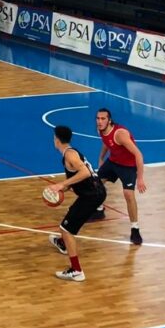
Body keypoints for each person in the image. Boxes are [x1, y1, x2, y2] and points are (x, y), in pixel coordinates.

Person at [46, 125, 107, 283]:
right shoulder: (71, 152)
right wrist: (62, 189)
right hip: (94, 193)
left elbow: (85, 172)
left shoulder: (70, 155)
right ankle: (63, 243)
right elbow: (79, 177)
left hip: (92, 195)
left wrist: (62, 184)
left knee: (65, 229)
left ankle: (77, 271)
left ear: (57, 140)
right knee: (70, 218)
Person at [90, 108, 147, 245]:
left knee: (128, 195)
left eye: (103, 118)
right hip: (113, 162)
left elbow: (138, 154)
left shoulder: (120, 134)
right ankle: (99, 209)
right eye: (98, 118)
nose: (99, 121)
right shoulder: (101, 129)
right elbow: (105, 142)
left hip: (128, 167)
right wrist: (101, 158)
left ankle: (135, 229)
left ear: (109, 120)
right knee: (95, 183)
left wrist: (140, 178)